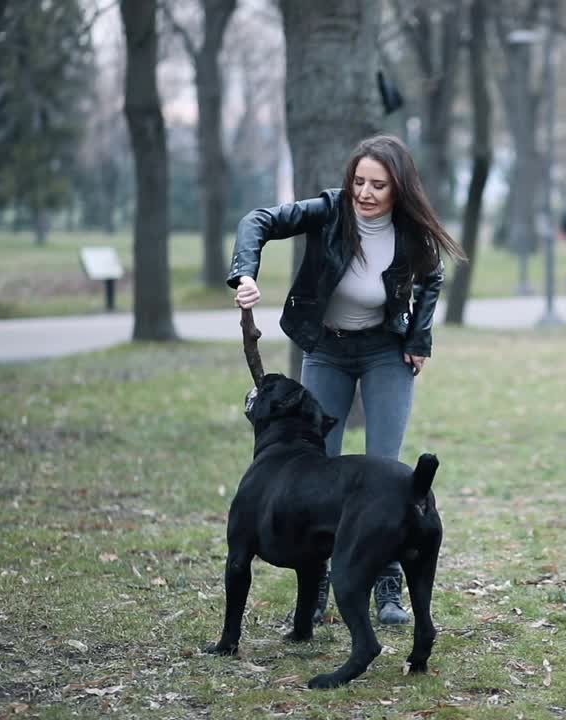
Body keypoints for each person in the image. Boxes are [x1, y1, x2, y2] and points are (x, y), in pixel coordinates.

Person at [228, 134, 465, 626]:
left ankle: (387, 585)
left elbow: (432, 277)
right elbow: (259, 220)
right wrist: (245, 274)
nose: (365, 192)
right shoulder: (329, 211)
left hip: (384, 351)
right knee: (316, 469)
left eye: (378, 184)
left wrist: (418, 338)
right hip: (327, 350)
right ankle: (315, 588)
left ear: (398, 187)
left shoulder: (410, 231)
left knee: (384, 471)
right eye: (359, 181)